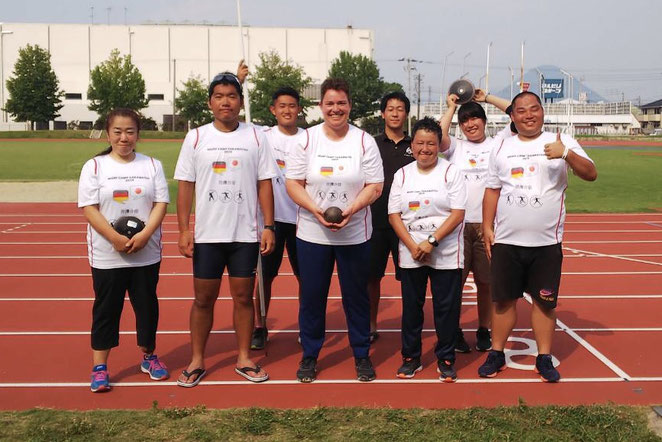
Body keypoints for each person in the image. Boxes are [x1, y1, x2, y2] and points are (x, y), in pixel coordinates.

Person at [479, 91, 597, 382]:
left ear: (542, 112)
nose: (528, 115)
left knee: (544, 303)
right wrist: (486, 226)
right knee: (503, 301)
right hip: (507, 241)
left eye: (534, 109)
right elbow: (492, 189)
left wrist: (566, 154)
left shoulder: (562, 140)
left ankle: (544, 357)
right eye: (521, 111)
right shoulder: (501, 145)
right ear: (513, 116)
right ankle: (497, 353)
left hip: (546, 243)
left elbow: (591, 173)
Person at [174, 71, 277, 386]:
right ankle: (196, 360)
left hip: (244, 234)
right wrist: (183, 229)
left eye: (231, 96)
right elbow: (185, 186)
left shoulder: (256, 136)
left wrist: (269, 225)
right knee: (203, 299)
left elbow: (264, 184)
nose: (225, 102)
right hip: (208, 235)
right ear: (210, 102)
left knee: (244, 298)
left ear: (241, 102)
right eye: (219, 96)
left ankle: (244, 358)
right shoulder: (196, 137)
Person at [285, 78, 384, 383]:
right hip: (314, 234)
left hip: (354, 233)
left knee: (356, 297)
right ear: (321, 106)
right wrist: (315, 210)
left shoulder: (364, 141)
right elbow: (293, 183)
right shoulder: (306, 140)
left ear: (349, 106)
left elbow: (375, 186)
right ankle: (310, 355)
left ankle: (361, 355)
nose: (335, 109)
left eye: (341, 103)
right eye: (330, 103)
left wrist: (351, 210)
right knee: (313, 297)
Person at [78, 108, 169, 392]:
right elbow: (89, 209)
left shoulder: (152, 165)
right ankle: (100, 367)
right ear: (108, 134)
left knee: (147, 307)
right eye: (117, 132)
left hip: (146, 251)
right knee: (106, 309)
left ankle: (149, 357)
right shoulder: (94, 166)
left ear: (138, 134)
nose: (124, 137)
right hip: (108, 254)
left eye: (130, 131)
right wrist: (114, 239)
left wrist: (144, 235)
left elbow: (160, 205)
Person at [388, 117, 466, 382]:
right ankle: (411, 358)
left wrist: (431, 242)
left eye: (431, 143)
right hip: (411, 252)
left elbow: (457, 214)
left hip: (444, 251)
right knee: (412, 308)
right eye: (420, 143)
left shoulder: (450, 172)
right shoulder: (402, 174)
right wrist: (413, 245)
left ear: (438, 145)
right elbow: (394, 215)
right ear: (412, 145)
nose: (425, 148)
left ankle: (446, 358)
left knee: (447, 308)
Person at [439, 89, 511, 353]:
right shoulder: (457, 147)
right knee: (455, 283)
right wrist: (450, 108)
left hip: (488, 226)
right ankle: (454, 330)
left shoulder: (499, 144)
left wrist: (487, 98)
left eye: (475, 119)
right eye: (465, 121)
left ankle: (483, 328)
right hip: (457, 226)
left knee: (485, 283)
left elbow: (514, 112)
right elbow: (439, 136)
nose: (470, 124)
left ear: (483, 121)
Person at [250, 86, 305, 350]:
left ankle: (307, 325)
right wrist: (238, 82)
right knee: (264, 277)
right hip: (269, 221)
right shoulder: (262, 136)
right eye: (281, 106)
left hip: (303, 220)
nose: (287, 110)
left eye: (292, 106)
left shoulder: (309, 138)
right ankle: (259, 326)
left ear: (299, 109)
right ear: (273, 109)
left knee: (307, 278)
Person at [368, 91, 415, 342]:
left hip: (407, 224)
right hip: (374, 222)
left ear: (406, 113)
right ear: (382, 113)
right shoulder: (370, 143)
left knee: (408, 280)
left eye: (400, 109)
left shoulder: (415, 145)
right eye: (390, 108)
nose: (395, 113)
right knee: (371, 279)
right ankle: (371, 325)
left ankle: (409, 327)